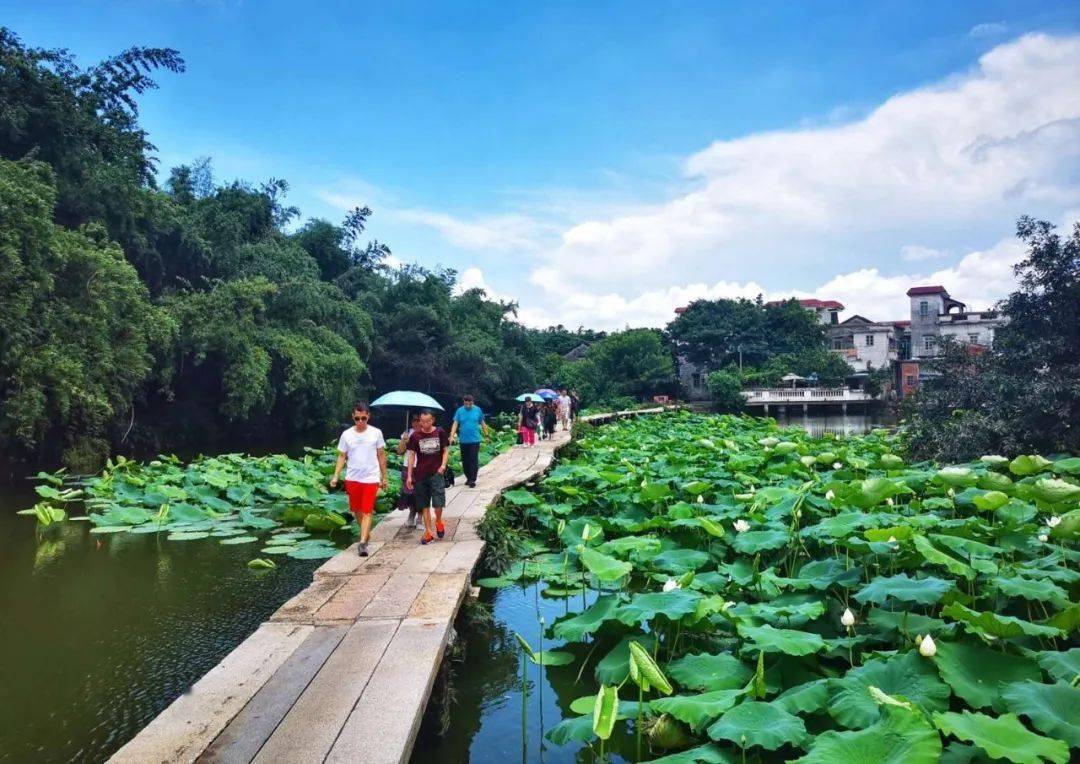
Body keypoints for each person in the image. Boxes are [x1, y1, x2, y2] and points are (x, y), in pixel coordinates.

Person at [329, 402, 388, 557]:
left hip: (371, 477)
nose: (360, 421)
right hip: (352, 477)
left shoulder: (376, 433)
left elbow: (381, 455)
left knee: (367, 510)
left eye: (363, 418)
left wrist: (384, 477)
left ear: (368, 416)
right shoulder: (347, 434)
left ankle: (362, 543)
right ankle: (366, 533)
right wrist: (336, 475)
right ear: (353, 417)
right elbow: (342, 456)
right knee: (356, 509)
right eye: (357, 418)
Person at [405, 409, 450, 544]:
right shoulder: (415, 436)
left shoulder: (440, 432)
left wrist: (443, 466)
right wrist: (409, 475)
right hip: (420, 474)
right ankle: (428, 532)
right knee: (424, 504)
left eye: (428, 421)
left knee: (438, 503)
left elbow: (446, 449)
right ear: (420, 421)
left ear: (433, 420)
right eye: (422, 421)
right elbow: (411, 455)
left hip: (436, 473)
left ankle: (438, 521)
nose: (425, 424)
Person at [449, 394, 489, 488]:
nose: (468, 406)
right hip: (463, 440)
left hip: (475, 440)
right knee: (465, 460)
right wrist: (451, 435)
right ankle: (468, 478)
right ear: (464, 402)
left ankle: (472, 479)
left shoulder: (477, 410)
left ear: (472, 402)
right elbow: (455, 423)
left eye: (470, 404)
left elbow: (482, 423)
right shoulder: (459, 411)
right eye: (466, 404)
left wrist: (486, 435)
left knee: (473, 459)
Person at [396, 413, 422, 527]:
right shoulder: (407, 433)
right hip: (408, 466)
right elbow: (399, 451)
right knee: (409, 493)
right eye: (414, 421)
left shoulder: (426, 433)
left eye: (418, 420)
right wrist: (403, 441)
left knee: (421, 493)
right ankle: (412, 513)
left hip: (422, 466)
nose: (416, 423)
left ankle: (420, 518)